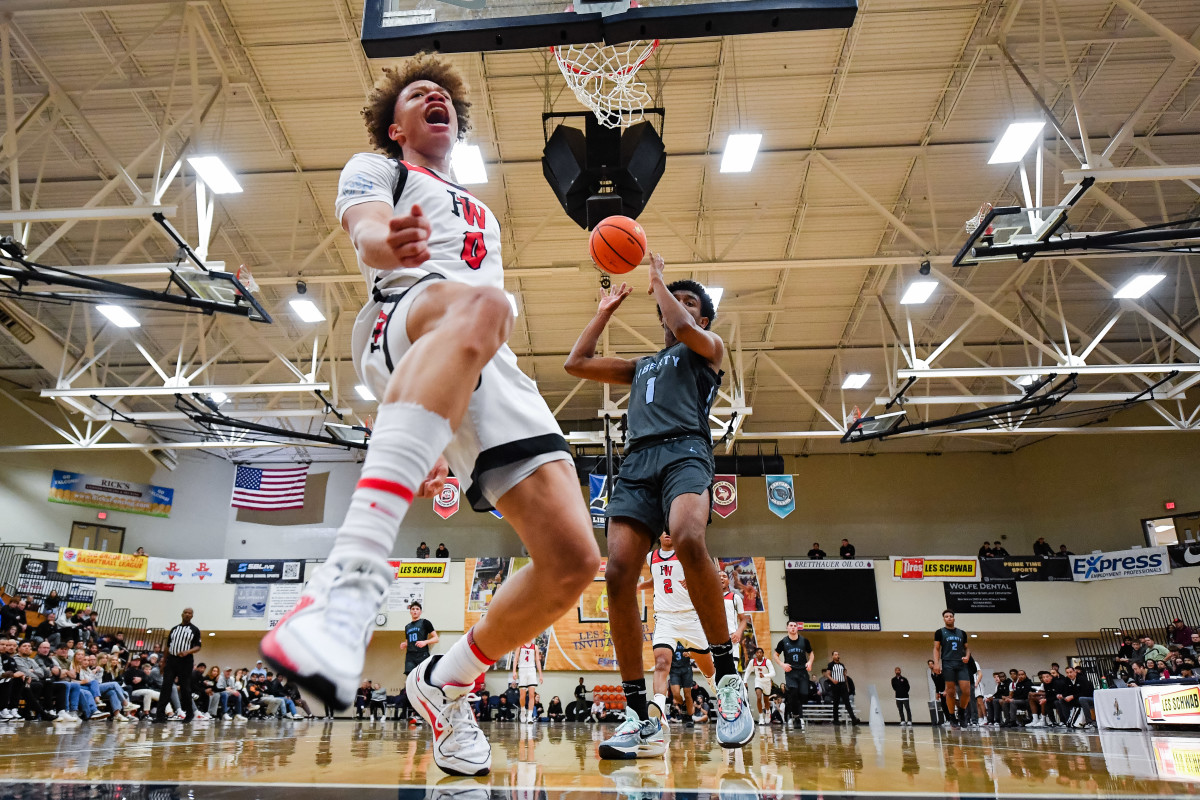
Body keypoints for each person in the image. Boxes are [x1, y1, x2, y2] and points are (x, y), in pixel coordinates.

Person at [262, 53, 599, 778]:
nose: (434, 98)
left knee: (573, 562)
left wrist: (443, 441)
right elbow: (367, 235)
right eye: (419, 94)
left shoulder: (482, 210)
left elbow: (481, 324)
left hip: (481, 356)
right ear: (396, 125)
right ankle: (348, 583)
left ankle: (446, 682)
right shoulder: (378, 168)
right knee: (485, 303)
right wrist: (393, 242)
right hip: (405, 318)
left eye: (444, 94)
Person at [565, 263, 753, 757]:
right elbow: (576, 362)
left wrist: (661, 287)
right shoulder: (643, 364)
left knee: (688, 538)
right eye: (674, 302)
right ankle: (636, 713)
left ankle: (729, 682)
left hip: (686, 451)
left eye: (691, 303)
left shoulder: (707, 350)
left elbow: (686, 328)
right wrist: (603, 313)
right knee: (618, 572)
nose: (680, 308)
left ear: (703, 320)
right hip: (638, 461)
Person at [154, 608, 201, 723]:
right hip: (172, 660)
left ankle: (189, 714)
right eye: (185, 612)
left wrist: (187, 651)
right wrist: (164, 662)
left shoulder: (195, 630)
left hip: (186, 661)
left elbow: (198, 646)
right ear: (182, 614)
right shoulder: (174, 629)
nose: (187, 614)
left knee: (185, 688)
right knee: (166, 687)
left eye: (189, 613)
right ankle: (159, 716)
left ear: (192, 616)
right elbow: (168, 646)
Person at [932, 609, 970, 728]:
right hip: (948, 663)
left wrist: (967, 656)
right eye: (946, 616)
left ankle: (962, 712)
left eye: (951, 616)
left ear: (954, 618)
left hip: (961, 663)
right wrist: (936, 663)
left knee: (966, 691)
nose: (949, 618)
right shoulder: (940, 632)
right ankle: (952, 716)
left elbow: (967, 648)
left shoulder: (962, 633)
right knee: (950, 691)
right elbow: (936, 648)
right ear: (944, 619)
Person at [773, 621, 813, 730]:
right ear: (787, 628)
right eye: (791, 626)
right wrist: (782, 664)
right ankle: (797, 718)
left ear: (797, 628)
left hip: (803, 672)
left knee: (803, 696)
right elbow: (775, 655)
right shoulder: (783, 642)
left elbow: (811, 653)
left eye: (795, 626)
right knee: (793, 694)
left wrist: (809, 662)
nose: (793, 628)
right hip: (791, 672)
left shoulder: (804, 641)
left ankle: (797, 714)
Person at [401, 602, 438, 675]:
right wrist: (405, 644)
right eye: (413, 609)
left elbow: (436, 638)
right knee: (410, 677)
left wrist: (425, 642)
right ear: (410, 612)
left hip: (422, 654)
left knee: (422, 676)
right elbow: (408, 642)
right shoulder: (407, 626)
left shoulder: (425, 622)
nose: (415, 611)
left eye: (417, 609)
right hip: (410, 656)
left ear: (420, 612)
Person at [512, 639, 543, 724]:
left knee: (532, 695)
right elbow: (515, 659)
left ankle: (529, 716)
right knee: (522, 695)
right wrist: (514, 671)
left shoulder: (535, 647)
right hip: (522, 670)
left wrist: (540, 674)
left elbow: (537, 661)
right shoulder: (520, 645)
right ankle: (522, 711)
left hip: (531, 670)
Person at [668, 642, 697, 729]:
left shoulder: (685, 639)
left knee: (688, 695)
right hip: (674, 670)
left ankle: (690, 717)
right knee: (676, 694)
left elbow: (695, 654)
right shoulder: (670, 639)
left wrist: (689, 654)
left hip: (686, 669)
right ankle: (684, 706)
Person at [719, 568, 751, 648]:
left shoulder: (735, 597)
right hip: (714, 639)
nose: (721, 578)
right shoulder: (709, 598)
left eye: (724, 576)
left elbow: (743, 620)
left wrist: (738, 632)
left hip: (731, 638)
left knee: (733, 661)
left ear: (729, 581)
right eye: (718, 577)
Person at [826, 651, 860, 724]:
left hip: (843, 684)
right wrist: (833, 680)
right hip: (835, 685)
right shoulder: (830, 665)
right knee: (836, 703)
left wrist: (847, 686)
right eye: (835, 654)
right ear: (832, 656)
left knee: (847, 702)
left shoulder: (842, 665)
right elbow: (828, 674)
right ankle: (836, 720)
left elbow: (844, 675)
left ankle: (853, 719)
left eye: (838, 654)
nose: (837, 655)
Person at [745, 646, 775, 726]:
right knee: (758, 697)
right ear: (755, 654)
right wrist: (745, 680)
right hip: (758, 681)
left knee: (766, 700)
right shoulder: (753, 662)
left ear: (763, 654)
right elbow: (747, 671)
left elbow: (773, 673)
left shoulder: (767, 661)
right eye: (757, 653)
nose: (759, 654)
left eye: (760, 653)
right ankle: (761, 717)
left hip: (767, 682)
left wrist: (765, 675)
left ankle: (768, 711)